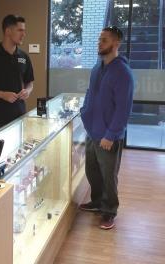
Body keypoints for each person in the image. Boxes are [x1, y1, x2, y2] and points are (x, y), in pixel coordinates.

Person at [79, 26, 134, 230]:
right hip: (92, 131)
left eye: (104, 40)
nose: (99, 43)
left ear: (116, 43)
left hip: (108, 135)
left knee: (108, 175)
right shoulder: (97, 67)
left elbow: (123, 108)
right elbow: (90, 92)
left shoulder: (123, 72)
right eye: (99, 39)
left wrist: (111, 134)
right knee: (92, 170)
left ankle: (109, 210)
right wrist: (85, 111)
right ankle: (97, 202)